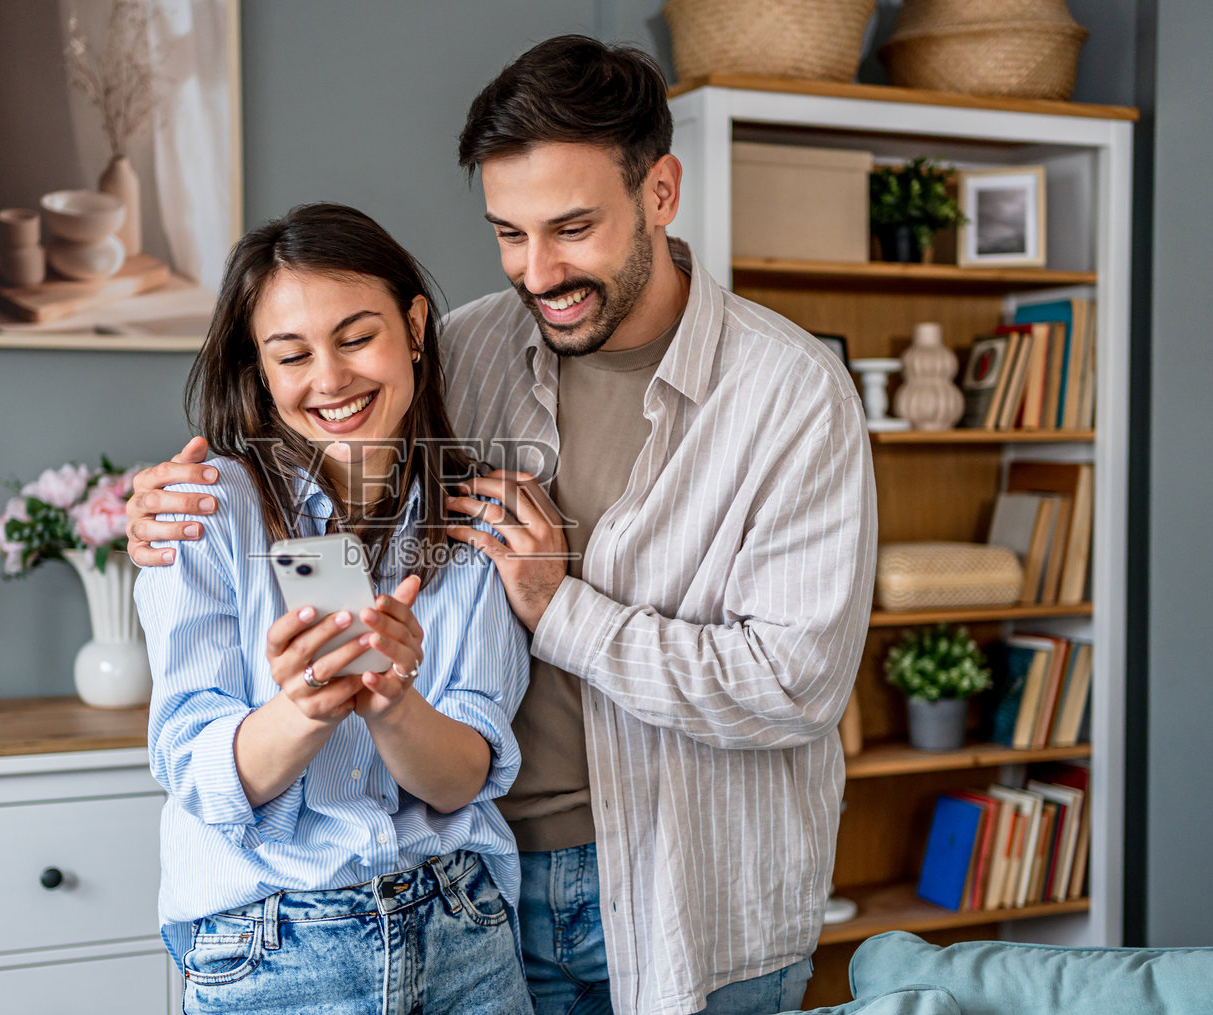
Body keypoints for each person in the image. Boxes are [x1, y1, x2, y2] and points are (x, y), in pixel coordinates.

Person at [130, 37, 876, 1015]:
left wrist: (556, 604)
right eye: (509, 234)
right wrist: (162, 506)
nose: (539, 270)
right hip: (476, 899)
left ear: (660, 191)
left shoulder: (790, 396)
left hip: (685, 898)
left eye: (572, 228)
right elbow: (322, 411)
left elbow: (795, 686)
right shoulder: (468, 347)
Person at [137, 202, 532, 1014]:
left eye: (357, 337)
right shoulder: (202, 513)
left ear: (416, 325)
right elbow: (197, 773)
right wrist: (306, 709)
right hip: (272, 946)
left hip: (462, 926)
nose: (330, 379)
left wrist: (391, 702)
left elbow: (464, 777)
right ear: (261, 368)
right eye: (292, 354)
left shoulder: (472, 521)